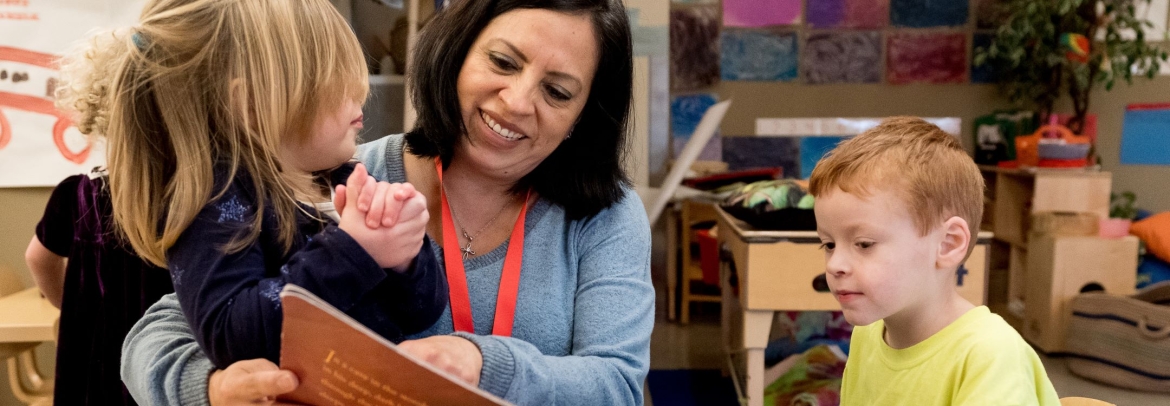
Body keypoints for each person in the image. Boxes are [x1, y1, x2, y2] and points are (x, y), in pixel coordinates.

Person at [120, 0, 655, 405]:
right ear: (458, 53)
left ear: (583, 118)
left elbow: (617, 384)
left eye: (557, 92)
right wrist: (208, 387)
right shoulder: (344, 176)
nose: (517, 102)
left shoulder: (605, 216)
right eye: (502, 62)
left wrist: (482, 363)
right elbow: (159, 334)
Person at [52, 0, 449, 372]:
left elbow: (420, 312)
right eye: (337, 80)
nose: (361, 91)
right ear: (251, 106)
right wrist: (355, 251)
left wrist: (406, 258)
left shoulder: (343, 177)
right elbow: (232, 336)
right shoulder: (220, 202)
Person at [808, 116, 1060, 405]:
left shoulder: (989, 353)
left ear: (948, 243)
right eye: (828, 244)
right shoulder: (867, 335)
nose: (834, 264)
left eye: (864, 244)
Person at [24, 168, 175, 406]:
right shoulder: (192, 192)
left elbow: (37, 258)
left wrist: (72, 306)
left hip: (93, 350)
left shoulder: (79, 194)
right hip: (162, 352)